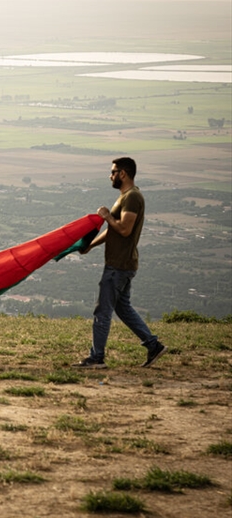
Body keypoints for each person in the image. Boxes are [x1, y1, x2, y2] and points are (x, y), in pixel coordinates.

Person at [75, 157, 166, 369]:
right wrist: (91, 245)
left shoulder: (132, 198)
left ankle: (97, 357)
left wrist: (107, 216)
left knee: (102, 311)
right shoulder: (126, 197)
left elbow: (124, 229)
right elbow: (113, 231)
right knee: (123, 308)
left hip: (119, 266)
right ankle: (153, 346)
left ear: (123, 174)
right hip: (123, 264)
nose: (111, 175)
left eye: (113, 171)